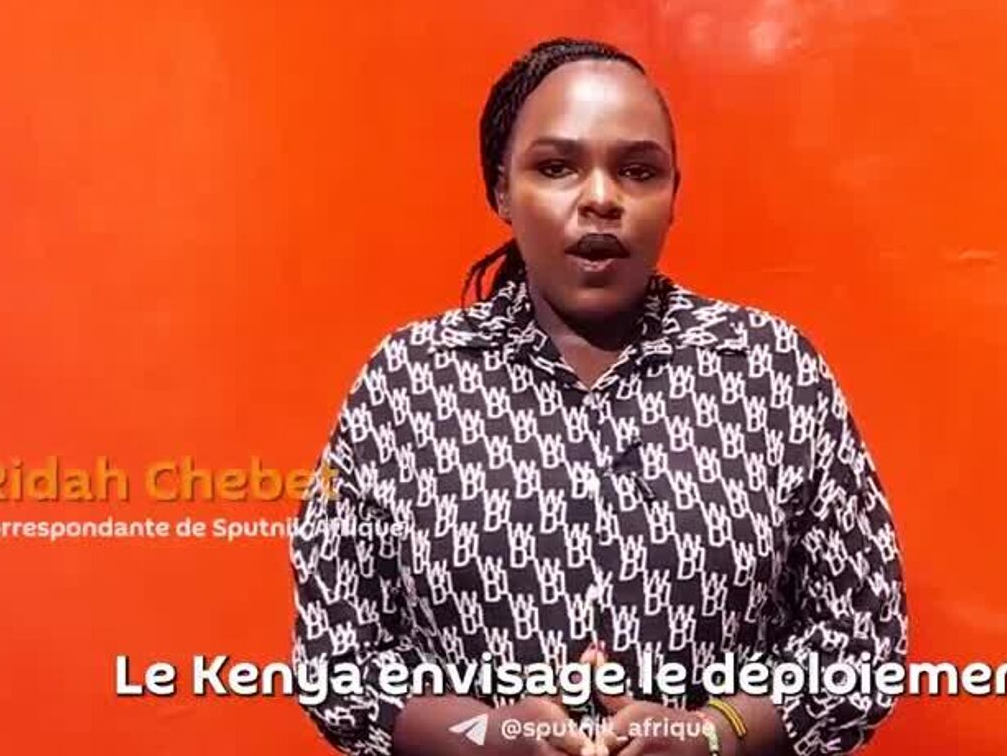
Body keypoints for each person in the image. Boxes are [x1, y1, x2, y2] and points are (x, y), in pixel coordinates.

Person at [290, 37, 907, 756]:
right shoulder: (409, 381)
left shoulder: (769, 369)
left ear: (673, 196)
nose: (602, 198)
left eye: (639, 171)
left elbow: (861, 640)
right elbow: (337, 656)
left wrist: (716, 735)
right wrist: (485, 737)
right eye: (557, 167)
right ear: (501, 191)